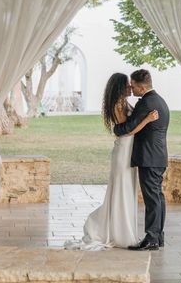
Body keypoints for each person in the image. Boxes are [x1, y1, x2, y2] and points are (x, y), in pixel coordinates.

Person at [68, 72, 158, 250]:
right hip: (124, 149)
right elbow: (127, 130)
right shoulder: (118, 103)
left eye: (130, 85)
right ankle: (116, 232)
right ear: (119, 87)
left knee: (126, 190)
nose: (129, 87)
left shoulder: (123, 102)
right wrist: (147, 120)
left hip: (129, 149)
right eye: (126, 85)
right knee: (121, 191)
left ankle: (123, 230)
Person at [114, 69, 169, 251]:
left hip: (149, 157)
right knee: (158, 197)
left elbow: (130, 127)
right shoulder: (160, 100)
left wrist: (117, 130)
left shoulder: (146, 103)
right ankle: (158, 236)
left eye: (133, 85)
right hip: (159, 156)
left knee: (152, 199)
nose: (132, 88)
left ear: (142, 86)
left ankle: (152, 238)